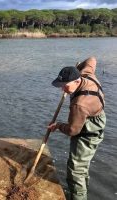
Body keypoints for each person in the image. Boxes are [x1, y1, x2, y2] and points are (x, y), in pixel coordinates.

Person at [48, 57, 106, 200]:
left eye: (65, 85)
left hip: (89, 130)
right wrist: (79, 67)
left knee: (75, 170)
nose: (62, 89)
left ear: (77, 81)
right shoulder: (87, 74)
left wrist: (58, 126)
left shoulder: (79, 104)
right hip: (94, 116)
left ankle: (78, 196)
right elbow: (92, 59)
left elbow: (73, 130)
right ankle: (81, 188)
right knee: (82, 166)